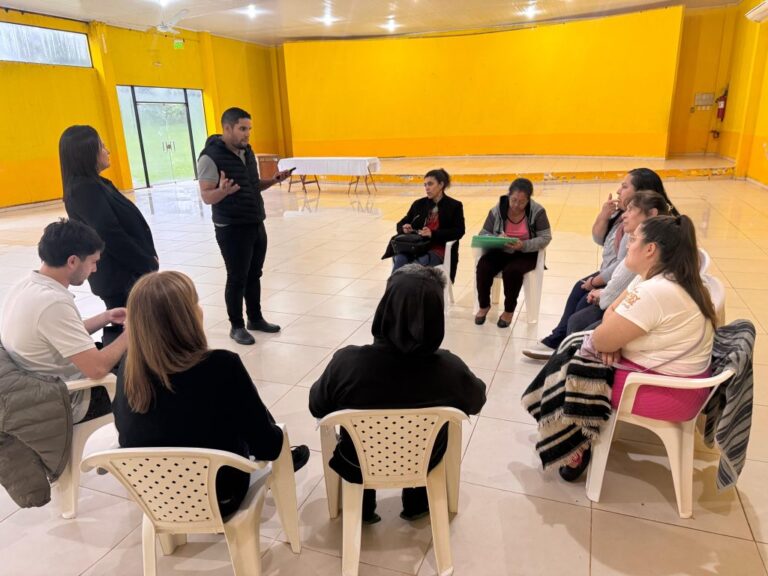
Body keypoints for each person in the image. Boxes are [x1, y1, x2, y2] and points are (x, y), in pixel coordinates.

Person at [112, 271, 310, 517]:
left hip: (157, 497)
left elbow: (125, 431)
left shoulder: (129, 367)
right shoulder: (220, 365)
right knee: (255, 424)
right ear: (189, 316)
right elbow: (268, 447)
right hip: (221, 494)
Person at [309, 264, 486, 523]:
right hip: (423, 460)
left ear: (385, 308)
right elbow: (476, 400)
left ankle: (362, 507)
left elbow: (317, 405)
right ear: (437, 316)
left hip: (358, 461)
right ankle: (417, 502)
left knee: (355, 432)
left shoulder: (347, 364)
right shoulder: (449, 369)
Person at [559, 215, 716, 481]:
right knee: (587, 345)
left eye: (633, 240)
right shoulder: (663, 276)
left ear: (650, 249)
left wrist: (611, 341)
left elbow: (601, 338)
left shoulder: (656, 290)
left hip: (670, 393)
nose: (628, 246)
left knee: (575, 360)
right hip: (681, 382)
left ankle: (576, 444)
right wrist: (612, 340)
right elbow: (609, 312)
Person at [523, 168, 672, 359]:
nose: (619, 191)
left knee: (580, 313)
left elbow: (624, 268)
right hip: (615, 280)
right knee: (580, 295)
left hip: (618, 285)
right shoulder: (624, 217)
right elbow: (600, 240)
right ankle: (561, 344)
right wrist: (604, 215)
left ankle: (565, 349)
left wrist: (598, 286)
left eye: (625, 186)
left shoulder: (644, 236)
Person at [0, 219, 126, 423]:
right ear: (73, 261)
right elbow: (96, 369)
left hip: (38, 387)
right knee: (148, 381)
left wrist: (106, 317)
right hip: (72, 400)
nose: (94, 270)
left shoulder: (27, 286)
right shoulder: (52, 303)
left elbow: (59, 337)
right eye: (93, 262)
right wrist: (133, 332)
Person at [198, 107, 293, 346]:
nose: (247, 134)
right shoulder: (210, 157)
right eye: (242, 129)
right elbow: (207, 196)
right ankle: (236, 326)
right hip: (231, 226)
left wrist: (273, 180)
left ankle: (256, 318)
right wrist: (223, 191)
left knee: (254, 274)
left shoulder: (247, 152)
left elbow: (252, 185)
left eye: (249, 129)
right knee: (237, 276)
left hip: (254, 221)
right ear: (227, 128)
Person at [59, 125, 158, 316]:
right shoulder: (83, 189)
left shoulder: (95, 184)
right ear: (87, 153)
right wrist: (145, 262)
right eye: (102, 146)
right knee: (131, 330)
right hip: (120, 276)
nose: (108, 151)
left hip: (127, 272)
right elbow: (110, 234)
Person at [564, 190, 672, 335]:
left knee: (579, 320)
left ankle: (563, 347)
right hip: (625, 302)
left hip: (638, 313)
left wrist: (601, 293)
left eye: (631, 209)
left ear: (652, 213)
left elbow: (617, 288)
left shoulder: (647, 246)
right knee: (581, 308)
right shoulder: (636, 234)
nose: (624, 215)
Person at [474, 178, 552, 327]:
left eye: (521, 202)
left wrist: (524, 245)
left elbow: (546, 237)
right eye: (514, 200)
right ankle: (484, 305)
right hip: (502, 249)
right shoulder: (497, 210)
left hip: (526, 252)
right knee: (483, 266)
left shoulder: (538, 211)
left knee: (512, 271)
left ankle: (509, 310)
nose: (516, 205)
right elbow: (483, 233)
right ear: (508, 196)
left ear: (528, 200)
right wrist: (496, 238)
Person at [381, 169, 465, 282]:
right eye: (425, 185)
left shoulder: (454, 206)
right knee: (400, 259)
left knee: (411, 270)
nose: (427, 188)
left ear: (441, 185)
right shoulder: (418, 204)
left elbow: (459, 231)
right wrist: (404, 228)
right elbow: (401, 223)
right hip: (415, 247)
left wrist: (433, 234)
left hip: (438, 249)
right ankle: (392, 295)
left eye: (430, 184)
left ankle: (404, 296)